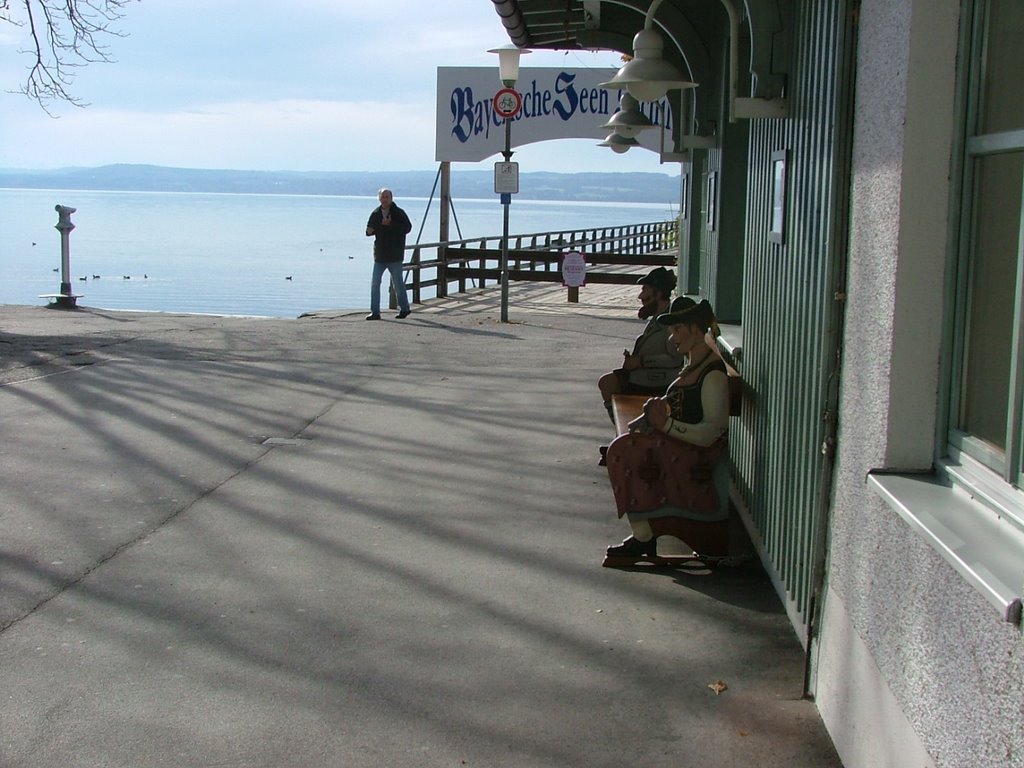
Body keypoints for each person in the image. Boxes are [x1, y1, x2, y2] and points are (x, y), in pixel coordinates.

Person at [604, 297, 730, 561]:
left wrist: (666, 424)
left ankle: (644, 536)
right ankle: (643, 532)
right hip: (682, 449)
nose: (672, 339)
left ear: (694, 329)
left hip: (697, 461)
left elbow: (711, 434)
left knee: (624, 451)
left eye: (676, 330)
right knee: (628, 444)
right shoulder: (693, 365)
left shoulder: (713, 376)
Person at [597, 266, 686, 421]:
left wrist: (640, 361)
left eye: (645, 290)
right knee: (608, 382)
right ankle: (623, 429)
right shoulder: (659, 316)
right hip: (650, 376)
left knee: (608, 383)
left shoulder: (668, 321)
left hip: (659, 382)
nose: (640, 296)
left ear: (657, 294)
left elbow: (675, 359)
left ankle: (625, 432)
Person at [365, 188, 413, 320]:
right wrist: (370, 231)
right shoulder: (375, 213)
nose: (385, 199)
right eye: (383, 197)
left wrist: (391, 224)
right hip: (380, 255)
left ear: (391, 198)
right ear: (379, 198)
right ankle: (375, 312)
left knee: (397, 283)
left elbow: (407, 228)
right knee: (375, 283)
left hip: (394, 254)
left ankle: (405, 308)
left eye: (387, 196)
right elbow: (369, 230)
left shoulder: (398, 213)